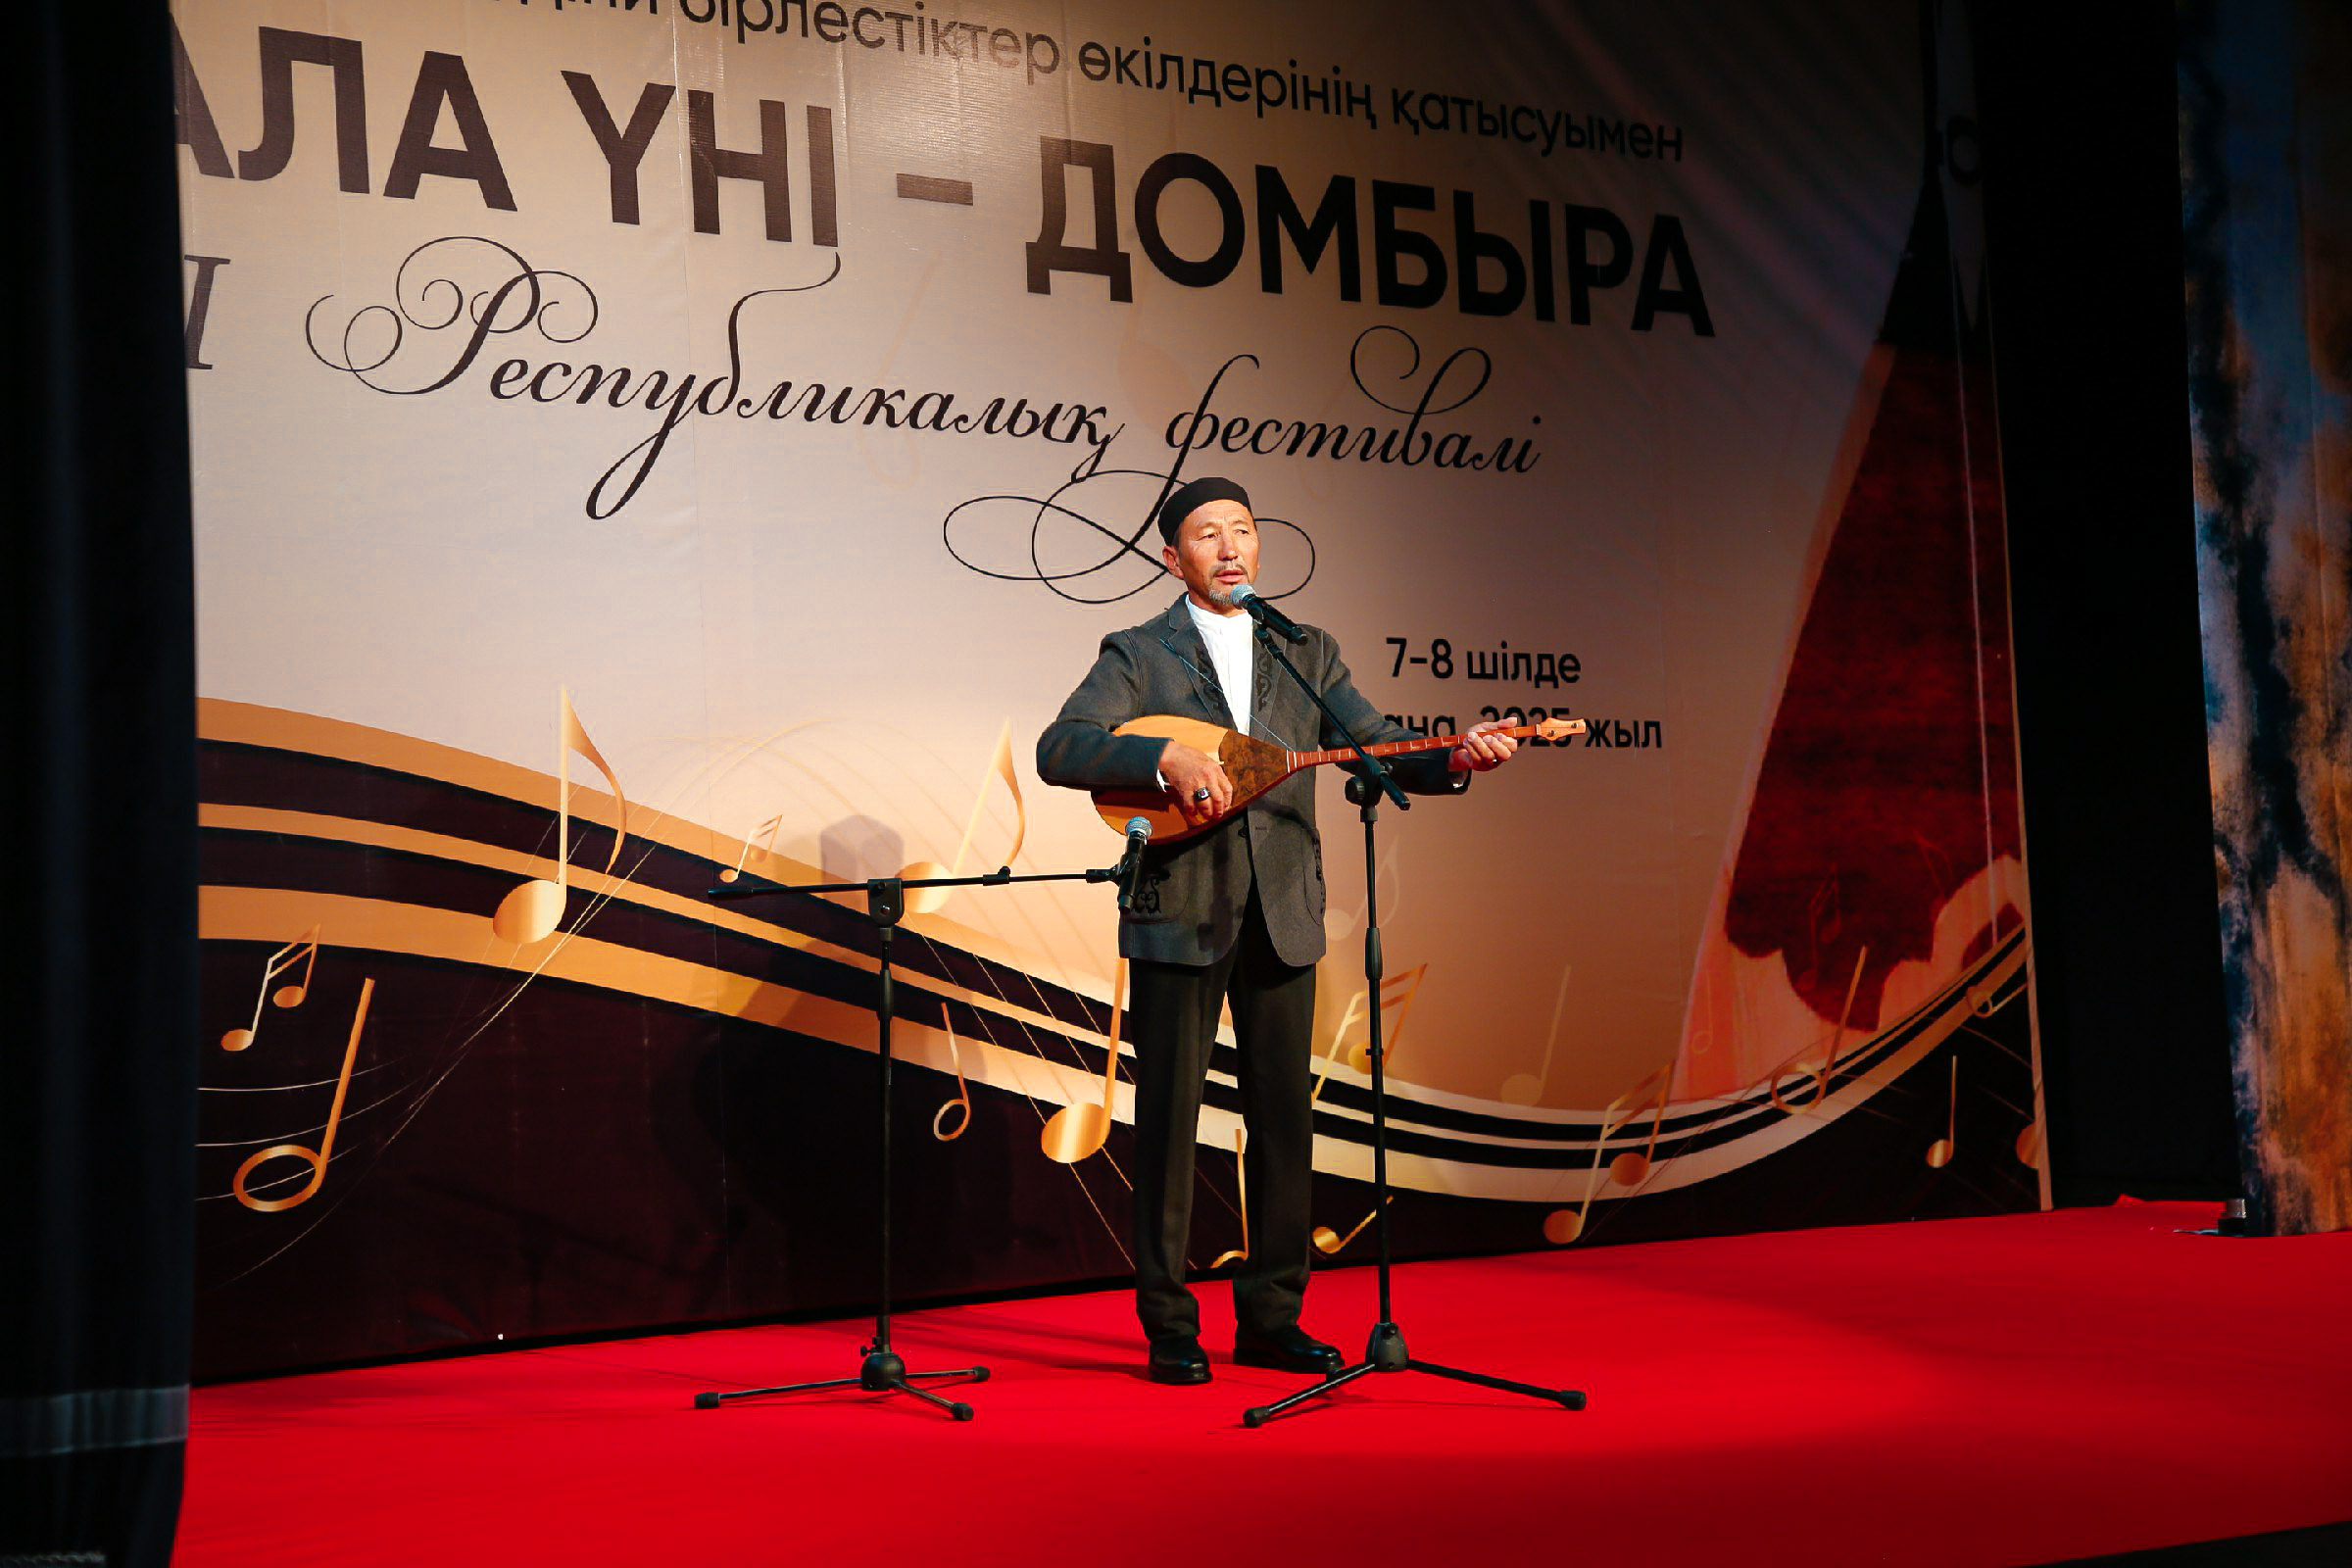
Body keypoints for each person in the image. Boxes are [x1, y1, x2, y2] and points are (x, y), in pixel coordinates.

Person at [1036, 475, 1518, 1385]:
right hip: (1179, 912)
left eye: (1244, 531)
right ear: (1173, 558)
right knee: (1171, 1123)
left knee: (1285, 1122)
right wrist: (1162, 755)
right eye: (1208, 534)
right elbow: (1062, 747)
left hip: (1283, 912)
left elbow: (1374, 742)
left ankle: (1272, 1318)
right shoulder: (1139, 651)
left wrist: (1455, 756)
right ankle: (1170, 1325)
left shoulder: (1305, 649)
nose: (1230, 548)